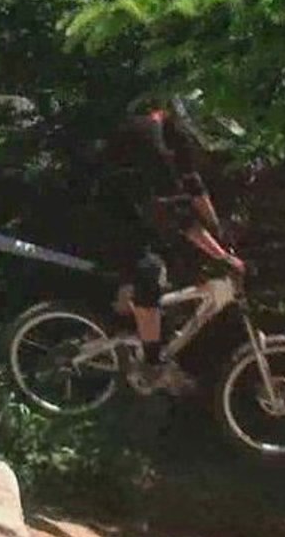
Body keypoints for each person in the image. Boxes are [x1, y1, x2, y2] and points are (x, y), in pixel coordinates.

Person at [100, 96, 245, 393]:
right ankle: (151, 363)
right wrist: (220, 256)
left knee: (162, 268)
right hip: (100, 214)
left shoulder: (170, 137)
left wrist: (219, 234)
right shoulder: (148, 139)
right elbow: (174, 212)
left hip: (127, 213)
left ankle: (132, 321)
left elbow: (193, 187)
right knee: (149, 272)